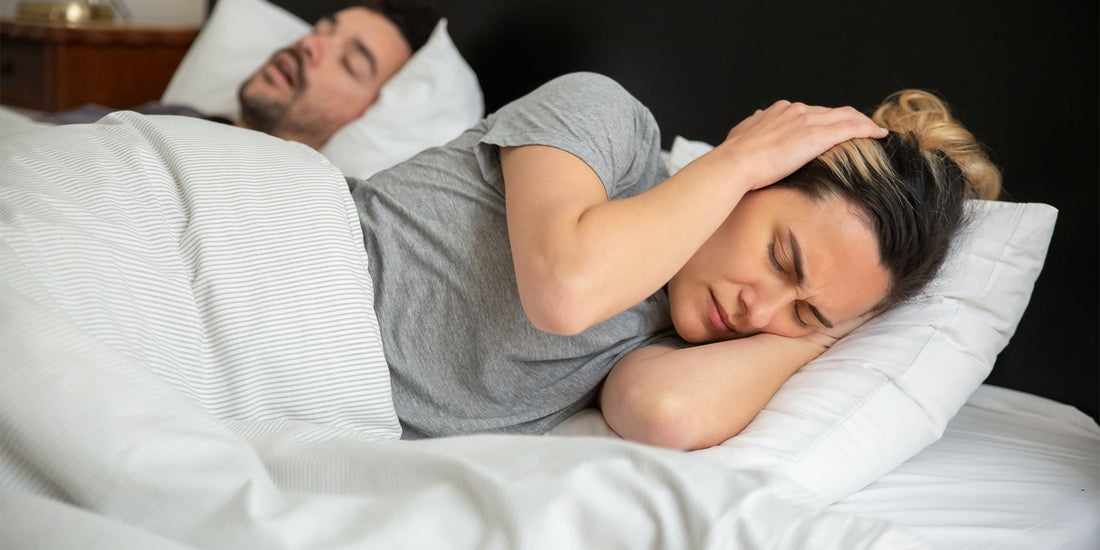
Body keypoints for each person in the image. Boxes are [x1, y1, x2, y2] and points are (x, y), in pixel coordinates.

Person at [348, 72, 1001, 449]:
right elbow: (565, 290)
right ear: (759, 177)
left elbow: (665, 413)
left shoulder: (675, 339)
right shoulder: (608, 127)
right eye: (781, 258)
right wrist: (736, 159)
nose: (761, 309)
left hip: (296, 393)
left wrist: (825, 333)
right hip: (274, 255)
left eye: (804, 310)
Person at [37, 0, 440, 151]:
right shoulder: (176, 114)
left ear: (369, 114)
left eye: (349, 62)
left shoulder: (297, 202)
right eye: (322, 29)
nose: (310, 45)